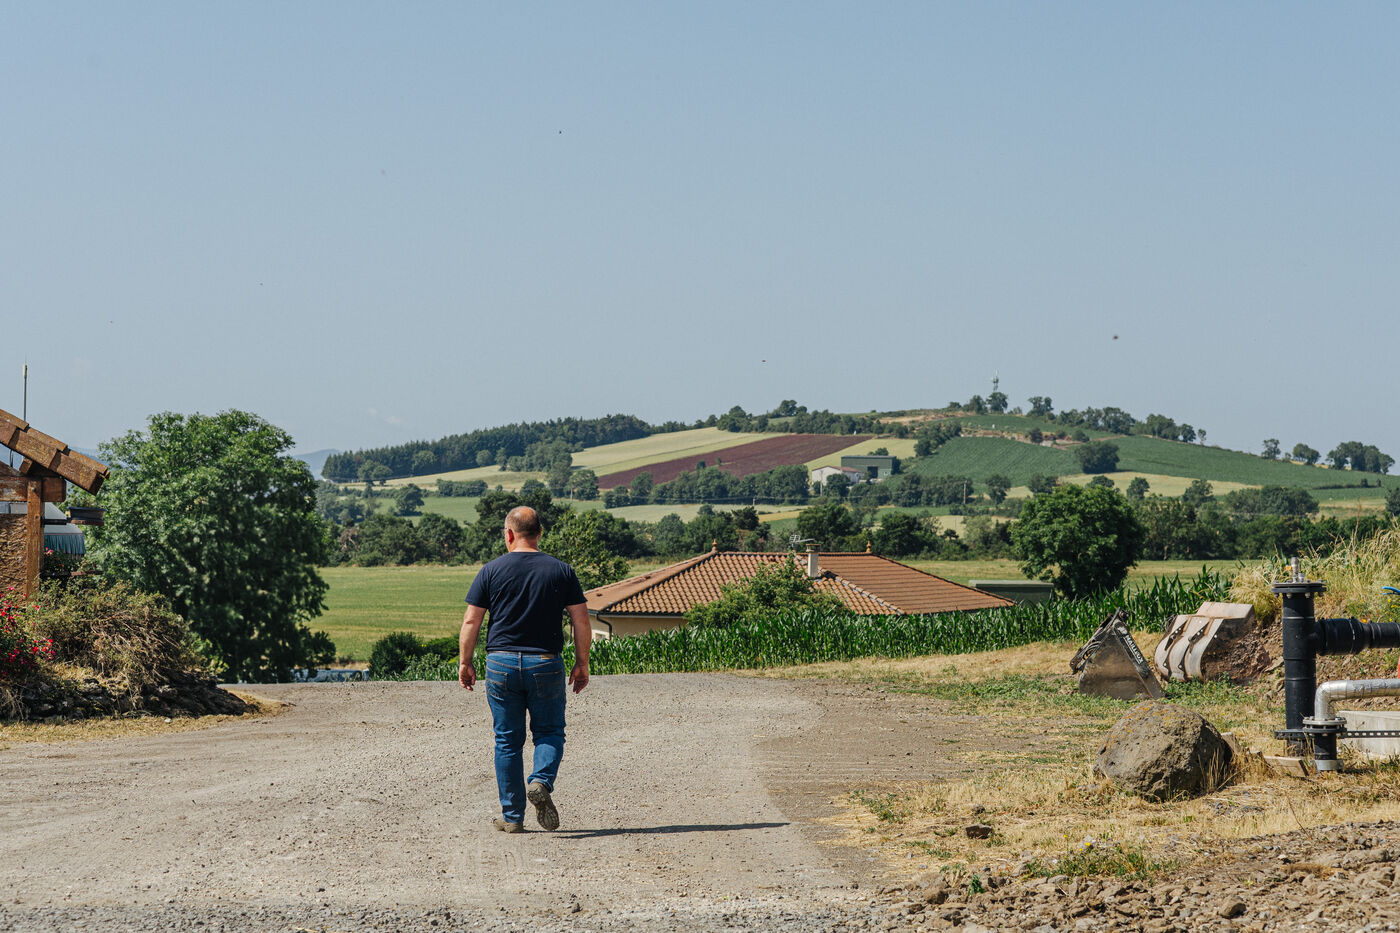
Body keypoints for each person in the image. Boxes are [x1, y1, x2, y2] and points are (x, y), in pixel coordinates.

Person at [459, 506, 591, 833]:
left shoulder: (491, 570)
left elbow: (472, 621)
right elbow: (581, 620)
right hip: (545, 662)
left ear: (509, 534)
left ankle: (512, 818)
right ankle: (541, 781)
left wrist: (465, 661)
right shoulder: (561, 571)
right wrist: (582, 662)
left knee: (507, 740)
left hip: (501, 663)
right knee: (549, 732)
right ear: (540, 533)